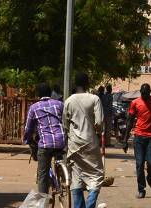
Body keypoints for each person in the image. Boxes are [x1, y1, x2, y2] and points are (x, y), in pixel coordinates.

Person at [63, 72, 104, 208]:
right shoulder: (94, 99)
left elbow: (65, 124)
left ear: (76, 84)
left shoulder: (69, 100)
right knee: (96, 175)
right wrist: (97, 132)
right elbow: (99, 122)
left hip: (74, 143)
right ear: (87, 84)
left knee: (76, 176)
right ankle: (90, 204)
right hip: (90, 142)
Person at [23, 82, 66, 194]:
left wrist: (28, 140)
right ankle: (62, 176)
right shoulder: (59, 104)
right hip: (61, 141)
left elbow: (28, 129)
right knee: (58, 154)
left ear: (38, 94)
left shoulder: (34, 107)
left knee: (42, 175)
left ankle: (43, 201)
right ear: (50, 93)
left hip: (45, 144)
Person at [123, 84, 151, 198]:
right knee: (139, 165)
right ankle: (142, 189)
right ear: (140, 92)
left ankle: (150, 180)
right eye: (143, 93)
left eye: (147, 93)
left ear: (150, 92)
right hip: (139, 137)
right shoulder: (135, 103)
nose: (144, 95)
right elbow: (130, 121)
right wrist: (125, 140)